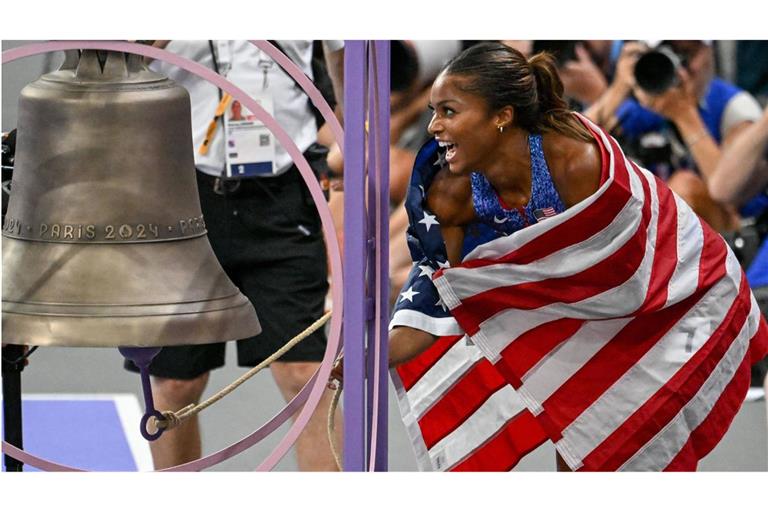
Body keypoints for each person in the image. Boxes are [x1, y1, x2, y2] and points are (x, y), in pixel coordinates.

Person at [333, 42, 768, 472]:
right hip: (566, 314)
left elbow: (626, 273)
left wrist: (535, 290)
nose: (432, 127)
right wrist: (369, 354)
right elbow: (435, 299)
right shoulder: (449, 191)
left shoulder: (574, 162)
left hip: (657, 295)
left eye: (448, 111)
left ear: (501, 116)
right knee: (583, 444)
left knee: (625, 444)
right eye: (432, 111)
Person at [124, 40, 344, 471]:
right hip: (177, 195)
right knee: (174, 382)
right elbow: (117, 60)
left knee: (309, 378)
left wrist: (349, 130)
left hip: (283, 194)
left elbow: (339, 54)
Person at [586, 40, 764, 233]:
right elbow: (566, 151)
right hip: (656, 232)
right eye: (667, 52)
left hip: (732, 235)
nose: (679, 68)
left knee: (683, 186)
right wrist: (617, 90)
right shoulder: (641, 103)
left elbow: (730, 195)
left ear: (709, 51)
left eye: (686, 54)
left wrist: (685, 116)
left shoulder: (734, 107)